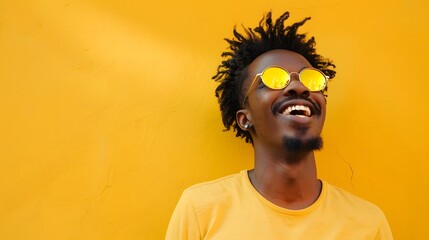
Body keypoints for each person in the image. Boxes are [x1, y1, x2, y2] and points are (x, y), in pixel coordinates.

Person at [165, 11, 393, 239]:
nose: (299, 87)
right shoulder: (201, 210)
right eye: (274, 79)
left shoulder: (368, 224)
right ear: (245, 119)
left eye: (311, 79)